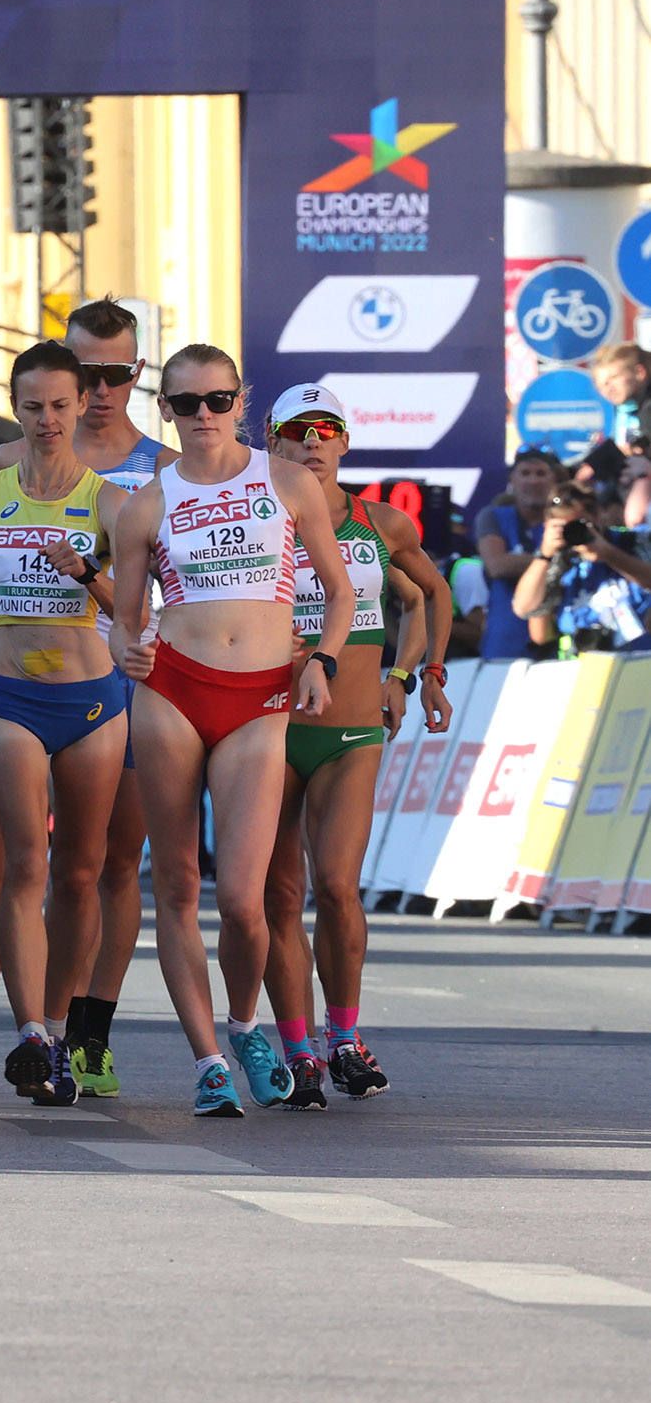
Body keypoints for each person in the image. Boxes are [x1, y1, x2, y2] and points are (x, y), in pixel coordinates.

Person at [109, 344, 351, 1118]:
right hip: (173, 689)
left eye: (217, 400)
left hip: (259, 699)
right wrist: (126, 649)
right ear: (165, 411)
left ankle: (245, 1025)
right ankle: (207, 1060)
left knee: (245, 902)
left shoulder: (286, 481)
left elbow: (339, 593)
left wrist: (324, 662)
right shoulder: (146, 504)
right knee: (177, 885)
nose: (203, 415)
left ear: (241, 402)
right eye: (186, 403)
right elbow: (121, 621)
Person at [0, 342, 131, 1106]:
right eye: (33, 406)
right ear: (14, 409)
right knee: (26, 863)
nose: (48, 420)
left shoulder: (110, 503)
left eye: (60, 405)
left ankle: (59, 1028)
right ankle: (30, 1033)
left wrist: (86, 572)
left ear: (82, 405)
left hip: (89, 702)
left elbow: (136, 609)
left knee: (80, 872)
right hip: (9, 696)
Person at [264, 384, 452, 1105]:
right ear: (273, 441)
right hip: (268, 730)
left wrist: (414, 675)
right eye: (297, 430)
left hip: (350, 733)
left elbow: (429, 594)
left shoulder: (380, 522)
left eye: (326, 429)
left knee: (338, 887)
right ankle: (297, 1051)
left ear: (345, 442)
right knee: (280, 895)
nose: (312, 441)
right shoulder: (257, 518)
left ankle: (344, 1038)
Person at [512, 476, 651, 651]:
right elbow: (524, 608)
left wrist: (608, 554)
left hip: (641, 655)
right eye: (567, 527)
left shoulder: (634, 541)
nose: (575, 532)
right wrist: (544, 556)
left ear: (599, 514)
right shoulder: (558, 562)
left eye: (581, 524)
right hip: (583, 660)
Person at [471, 448, 561, 661]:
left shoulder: (564, 521)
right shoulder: (493, 516)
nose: (533, 481)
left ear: (553, 479)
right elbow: (497, 565)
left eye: (541, 473)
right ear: (512, 478)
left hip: (557, 645)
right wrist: (553, 558)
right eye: (525, 473)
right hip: (504, 646)